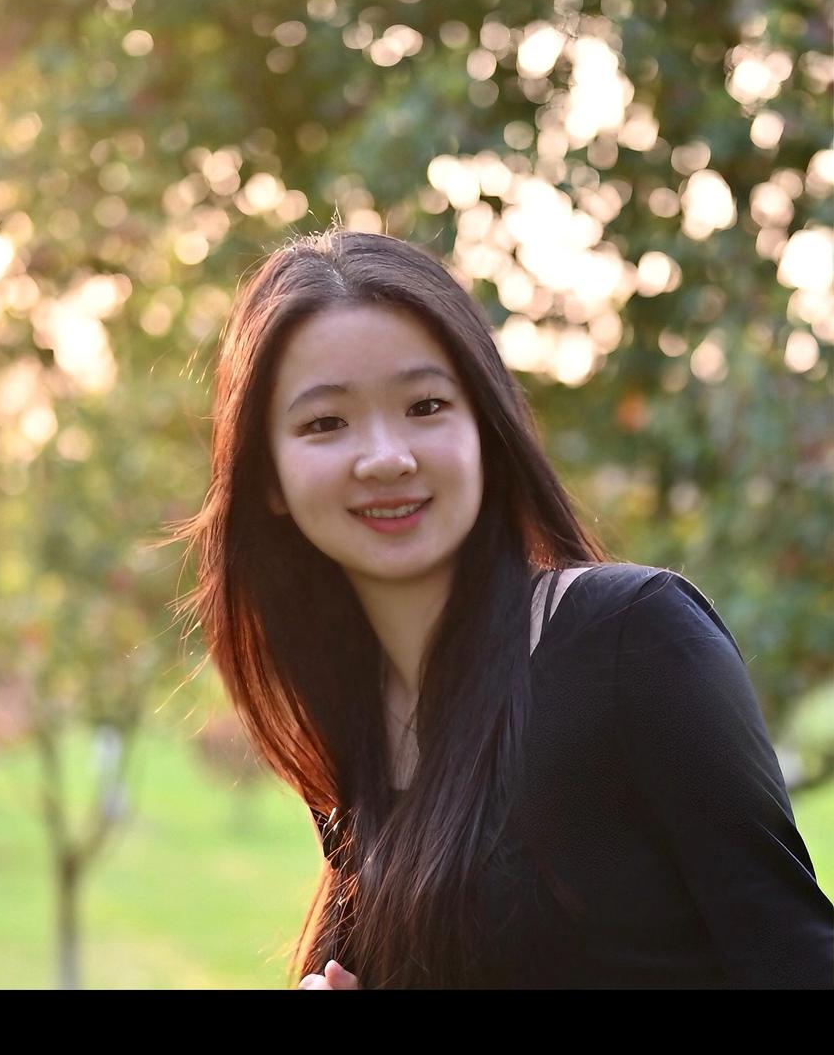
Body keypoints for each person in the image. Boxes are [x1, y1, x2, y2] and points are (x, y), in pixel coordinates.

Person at [162, 228, 833, 989]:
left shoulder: (632, 641)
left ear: (487, 428)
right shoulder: (357, 728)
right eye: (326, 422)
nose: (386, 456)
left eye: (425, 405)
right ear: (271, 480)